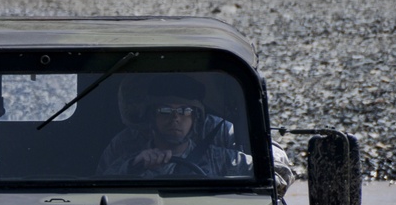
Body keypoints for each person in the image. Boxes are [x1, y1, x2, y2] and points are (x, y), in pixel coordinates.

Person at [97, 75, 294, 195]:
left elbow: (276, 171)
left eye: (184, 111)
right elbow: (98, 189)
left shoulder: (221, 153)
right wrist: (134, 166)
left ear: (196, 118)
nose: (175, 119)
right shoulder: (128, 153)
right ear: (151, 117)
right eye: (165, 111)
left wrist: (262, 183)